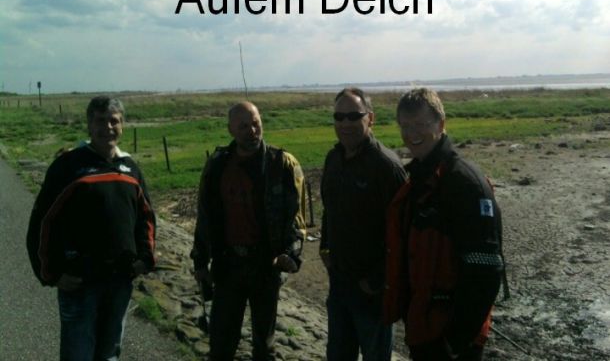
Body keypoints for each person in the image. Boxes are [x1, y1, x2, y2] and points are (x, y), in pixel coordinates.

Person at [26, 95, 156, 361]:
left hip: (120, 280)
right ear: (89, 124)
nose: (107, 127)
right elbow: (42, 223)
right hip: (79, 283)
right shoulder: (68, 166)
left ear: (122, 125)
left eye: (114, 121)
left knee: (109, 354)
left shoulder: (130, 168)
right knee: (78, 355)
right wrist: (50, 273)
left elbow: (146, 218)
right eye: (100, 121)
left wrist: (145, 258)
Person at [384, 88, 504, 361]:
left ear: (441, 124)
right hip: (422, 325)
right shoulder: (418, 180)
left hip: (451, 338)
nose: (412, 133)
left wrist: (455, 342)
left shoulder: (464, 183)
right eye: (405, 125)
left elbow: (487, 269)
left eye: (421, 124)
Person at [191, 101, 306, 361]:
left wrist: (291, 254)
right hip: (227, 264)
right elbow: (205, 216)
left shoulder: (282, 164)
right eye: (243, 126)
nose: (252, 131)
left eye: (256, 124)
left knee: (264, 346)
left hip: (265, 266)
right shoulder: (217, 165)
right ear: (230, 130)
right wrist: (200, 260)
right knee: (221, 343)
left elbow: (296, 219)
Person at [320, 87, 408, 361]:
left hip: (371, 291)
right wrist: (325, 247)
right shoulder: (334, 159)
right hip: (339, 283)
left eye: (353, 116)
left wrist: (378, 279)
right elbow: (329, 210)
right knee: (338, 354)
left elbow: (404, 232)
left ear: (370, 118)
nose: (345, 123)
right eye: (339, 117)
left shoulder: (386, 166)